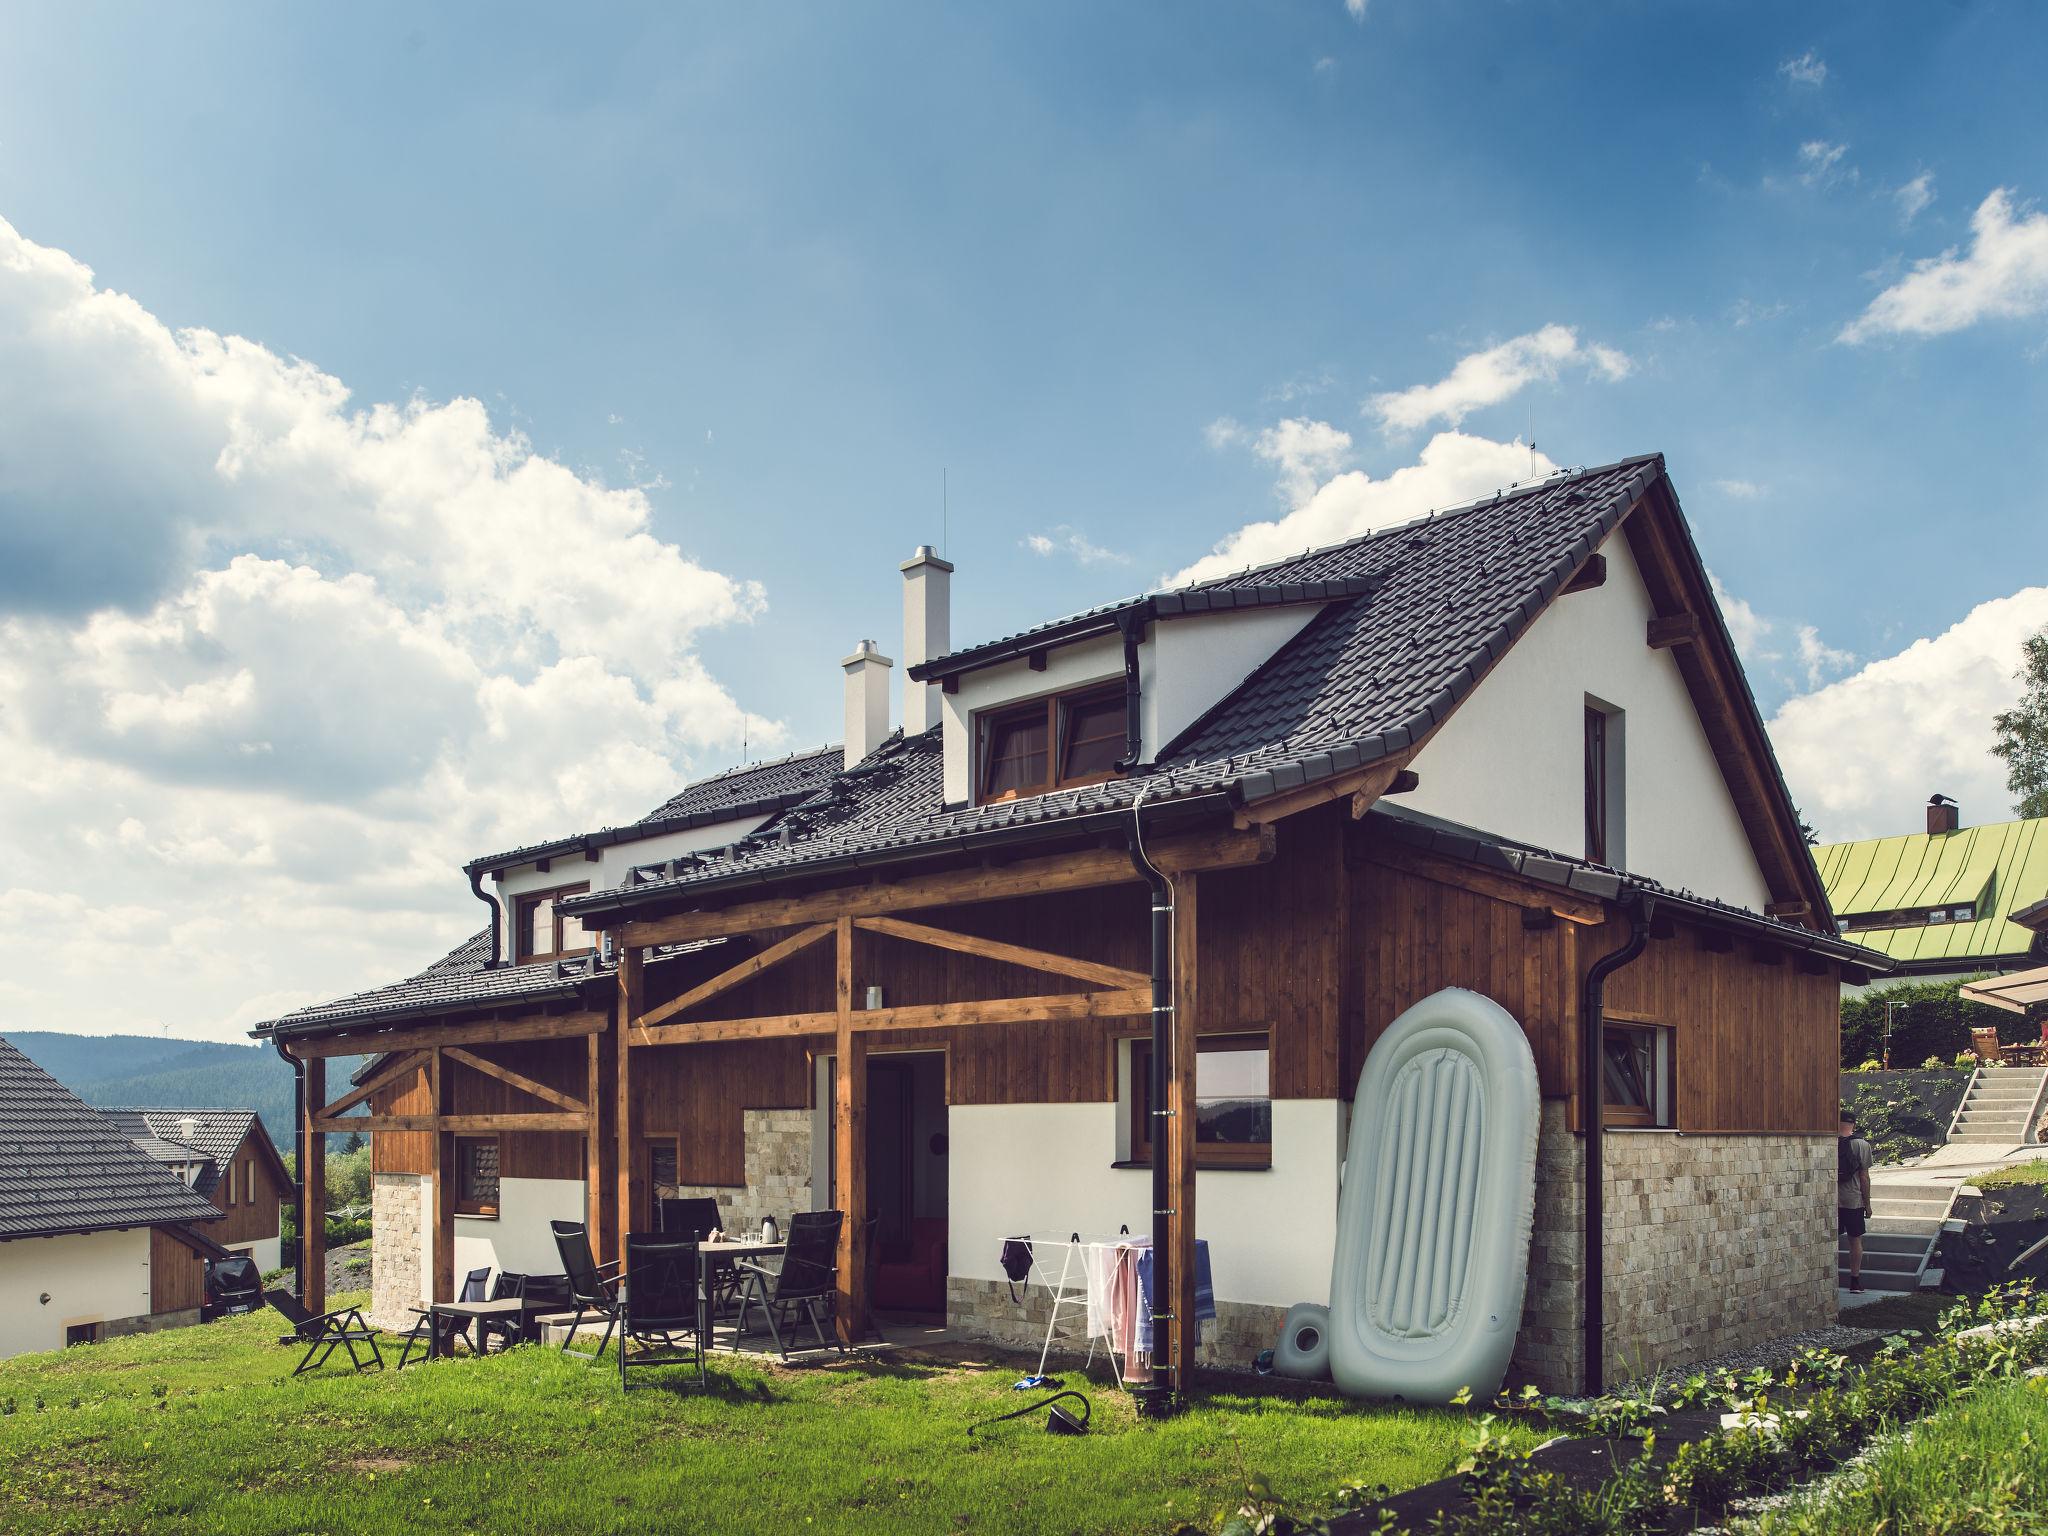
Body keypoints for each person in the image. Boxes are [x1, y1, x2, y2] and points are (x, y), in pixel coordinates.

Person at [1838, 1111, 1874, 1294]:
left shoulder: (1829, 1142)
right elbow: (1864, 1177)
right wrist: (1867, 1204)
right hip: (1853, 1200)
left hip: (1831, 1201)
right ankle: (1855, 1281)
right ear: (1853, 1124)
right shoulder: (1862, 1144)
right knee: (1855, 1240)